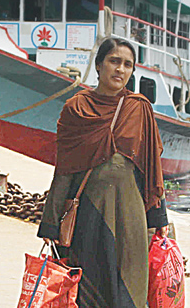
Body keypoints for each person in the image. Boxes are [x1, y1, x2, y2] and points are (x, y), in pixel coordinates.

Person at [37, 37, 169, 307]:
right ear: (99, 65)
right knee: (88, 289)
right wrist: (50, 224)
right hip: (89, 213)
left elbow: (152, 168)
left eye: (127, 65)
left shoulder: (139, 108)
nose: (120, 69)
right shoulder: (77, 108)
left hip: (131, 215)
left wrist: (159, 217)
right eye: (114, 61)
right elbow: (64, 170)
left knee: (129, 288)